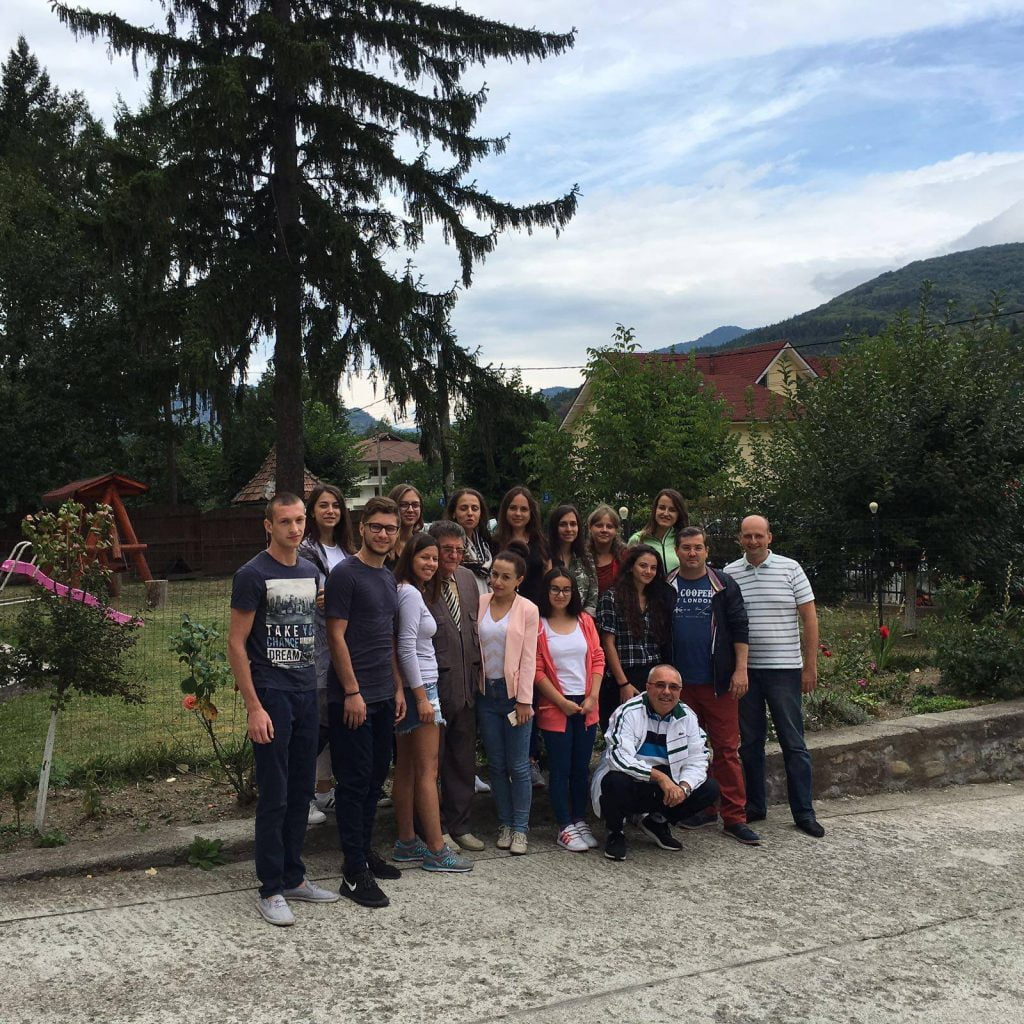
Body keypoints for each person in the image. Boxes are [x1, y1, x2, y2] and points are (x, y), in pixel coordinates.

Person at [228, 492, 339, 926]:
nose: (295, 529)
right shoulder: (252, 574)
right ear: (268, 526)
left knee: (300, 791)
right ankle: (270, 887)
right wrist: (254, 707)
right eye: (285, 521)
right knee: (274, 794)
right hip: (271, 695)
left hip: (306, 692)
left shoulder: (310, 572)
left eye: (299, 520)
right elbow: (236, 644)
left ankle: (294, 876)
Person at [324, 496, 407, 908]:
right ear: (362, 528)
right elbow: (335, 635)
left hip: (382, 695)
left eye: (390, 528)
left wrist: (396, 687)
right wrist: (352, 692)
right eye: (376, 526)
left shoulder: (388, 576)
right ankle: (353, 871)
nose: (383, 534)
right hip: (352, 698)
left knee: (375, 780)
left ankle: (365, 852)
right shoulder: (345, 575)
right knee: (354, 783)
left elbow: (387, 637)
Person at [723, 515, 825, 838]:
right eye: (747, 536)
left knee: (793, 743)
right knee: (750, 743)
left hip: (784, 670)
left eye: (759, 535)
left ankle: (804, 812)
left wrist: (810, 666)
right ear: (740, 538)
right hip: (747, 673)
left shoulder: (790, 569)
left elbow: (810, 619)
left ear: (770, 537)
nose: (753, 541)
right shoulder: (729, 573)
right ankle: (755, 806)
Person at [666, 526, 760, 846]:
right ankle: (703, 807)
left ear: (707, 551)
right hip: (679, 687)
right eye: (686, 548)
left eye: (698, 547)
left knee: (726, 751)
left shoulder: (723, 584)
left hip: (718, 683)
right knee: (688, 750)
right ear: (677, 551)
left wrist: (741, 670)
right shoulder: (666, 585)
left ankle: (735, 817)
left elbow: (740, 628)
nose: (692, 553)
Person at [391, 532, 473, 873]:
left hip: (414, 687)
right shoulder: (411, 593)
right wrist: (422, 697)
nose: (431, 563)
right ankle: (437, 849)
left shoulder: (407, 590)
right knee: (429, 770)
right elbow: (406, 646)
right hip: (422, 686)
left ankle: (407, 841)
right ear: (410, 557)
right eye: (425, 557)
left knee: (408, 768)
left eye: (434, 559)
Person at [592, 664, 719, 862]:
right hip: (633, 781)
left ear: (680, 691)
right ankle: (615, 832)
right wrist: (660, 778)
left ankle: (657, 821)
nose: (666, 692)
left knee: (709, 788)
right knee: (615, 781)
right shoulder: (628, 711)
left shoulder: (688, 717)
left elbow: (698, 759)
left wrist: (683, 788)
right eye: (660, 685)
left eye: (673, 687)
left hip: (664, 784)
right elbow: (619, 758)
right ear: (648, 687)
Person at [425, 520, 486, 852]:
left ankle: (460, 825)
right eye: (446, 549)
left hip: (465, 686)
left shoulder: (466, 580)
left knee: (462, 761)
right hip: (433, 688)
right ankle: (434, 829)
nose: (453, 556)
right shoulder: (420, 581)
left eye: (459, 550)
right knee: (430, 764)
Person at [534, 567, 605, 852]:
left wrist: (593, 697)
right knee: (560, 769)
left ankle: (579, 818)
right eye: (555, 589)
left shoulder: (584, 620)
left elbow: (597, 658)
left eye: (566, 589)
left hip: (586, 704)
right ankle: (564, 825)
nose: (561, 594)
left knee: (580, 768)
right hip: (556, 705)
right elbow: (537, 669)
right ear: (546, 591)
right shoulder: (538, 624)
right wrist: (560, 702)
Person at [297, 484, 356, 826]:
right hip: (317, 649)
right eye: (323, 505)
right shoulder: (305, 551)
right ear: (312, 511)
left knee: (337, 724)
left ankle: (324, 790)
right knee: (315, 726)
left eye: (335, 505)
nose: (330, 511)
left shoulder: (348, 550)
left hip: (347, 646)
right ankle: (301, 795)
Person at [476, 545, 540, 855]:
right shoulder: (481, 602)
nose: (497, 582)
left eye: (505, 577)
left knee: (518, 765)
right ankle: (504, 823)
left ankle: (520, 828)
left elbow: (529, 657)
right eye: (494, 575)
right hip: (486, 693)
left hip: (514, 694)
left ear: (519, 580)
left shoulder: (527, 609)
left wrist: (525, 700)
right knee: (497, 764)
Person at [596, 544, 673, 730]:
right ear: (631, 566)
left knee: (652, 733)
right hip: (622, 676)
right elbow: (608, 643)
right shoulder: (611, 598)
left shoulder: (657, 599)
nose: (648, 571)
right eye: (643, 565)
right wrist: (624, 683)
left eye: (653, 568)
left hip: (653, 676)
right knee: (620, 734)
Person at [494, 485, 550, 606]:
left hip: (536, 609)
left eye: (524, 509)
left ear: (531, 513)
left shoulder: (542, 543)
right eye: (513, 508)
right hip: (502, 609)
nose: (518, 513)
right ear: (505, 510)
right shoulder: (494, 543)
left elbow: (548, 580)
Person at [547, 503, 599, 616]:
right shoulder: (545, 556)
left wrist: (584, 620)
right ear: (554, 527)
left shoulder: (586, 557)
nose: (569, 529)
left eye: (573, 524)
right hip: (548, 619)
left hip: (580, 620)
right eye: (563, 524)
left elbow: (593, 595)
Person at [446, 487, 494, 596]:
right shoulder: (447, 545)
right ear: (454, 513)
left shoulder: (486, 544)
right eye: (464, 508)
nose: (470, 513)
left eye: (475, 508)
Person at [628, 488, 688, 575]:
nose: (666, 513)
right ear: (655, 509)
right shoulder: (638, 539)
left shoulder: (683, 540)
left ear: (679, 514)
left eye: (672, 510)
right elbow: (627, 573)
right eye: (662, 508)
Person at [588, 504, 626, 596]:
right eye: (599, 525)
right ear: (590, 528)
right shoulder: (582, 557)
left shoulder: (625, 556)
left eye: (609, 526)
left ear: (616, 530)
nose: (604, 530)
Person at [387, 484, 424, 566]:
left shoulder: (423, 543)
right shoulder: (383, 542)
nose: (410, 510)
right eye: (403, 505)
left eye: (415, 505)